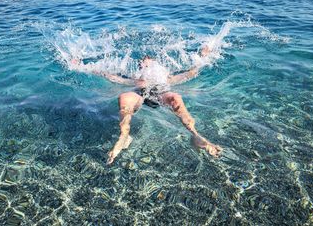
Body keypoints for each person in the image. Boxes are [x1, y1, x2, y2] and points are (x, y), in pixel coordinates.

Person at [71, 45, 222, 164]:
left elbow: (191, 72)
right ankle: (124, 136)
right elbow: (108, 75)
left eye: (149, 61)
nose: (146, 62)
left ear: (158, 65)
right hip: (138, 94)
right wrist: (81, 66)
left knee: (176, 98)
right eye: (143, 63)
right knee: (124, 98)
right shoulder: (135, 79)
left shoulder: (167, 78)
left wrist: (204, 56)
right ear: (140, 67)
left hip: (161, 94)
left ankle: (196, 135)